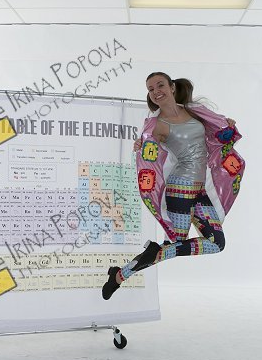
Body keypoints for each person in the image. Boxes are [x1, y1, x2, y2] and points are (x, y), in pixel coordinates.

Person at [102, 72, 246, 300]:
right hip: (179, 188)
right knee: (177, 244)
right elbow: (149, 151)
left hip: (199, 189)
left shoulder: (194, 111)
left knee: (216, 243)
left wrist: (227, 125)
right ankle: (124, 273)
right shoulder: (157, 124)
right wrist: (141, 144)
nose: (156, 91)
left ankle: (122, 272)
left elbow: (217, 134)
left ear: (171, 87)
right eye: (151, 89)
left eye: (160, 85)